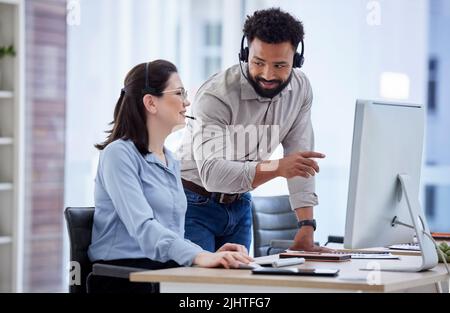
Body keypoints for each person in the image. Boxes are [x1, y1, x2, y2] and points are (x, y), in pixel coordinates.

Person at [88, 60, 252, 293]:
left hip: (160, 271)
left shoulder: (171, 160)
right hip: (123, 276)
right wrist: (198, 255)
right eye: (179, 93)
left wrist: (211, 255)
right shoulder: (118, 155)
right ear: (151, 103)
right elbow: (144, 228)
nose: (187, 102)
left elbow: (172, 234)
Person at [177, 8, 332, 253]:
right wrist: (277, 167)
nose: (268, 74)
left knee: (239, 289)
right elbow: (213, 174)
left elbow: (300, 160)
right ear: (246, 53)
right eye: (258, 62)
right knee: (200, 286)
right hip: (194, 202)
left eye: (280, 65)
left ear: (297, 60)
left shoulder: (301, 90)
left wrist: (306, 226)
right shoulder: (217, 95)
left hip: (241, 204)